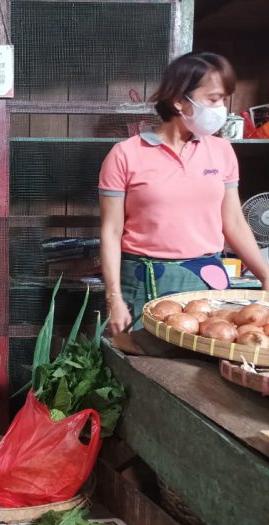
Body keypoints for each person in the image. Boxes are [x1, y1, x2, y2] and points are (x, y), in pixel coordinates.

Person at [100, 52, 269, 334]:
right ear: (179, 100)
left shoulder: (222, 151)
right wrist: (113, 298)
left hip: (208, 279)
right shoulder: (125, 155)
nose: (222, 108)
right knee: (143, 365)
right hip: (143, 279)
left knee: (206, 360)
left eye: (224, 99)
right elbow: (111, 231)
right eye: (213, 99)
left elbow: (235, 223)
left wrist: (266, 275)